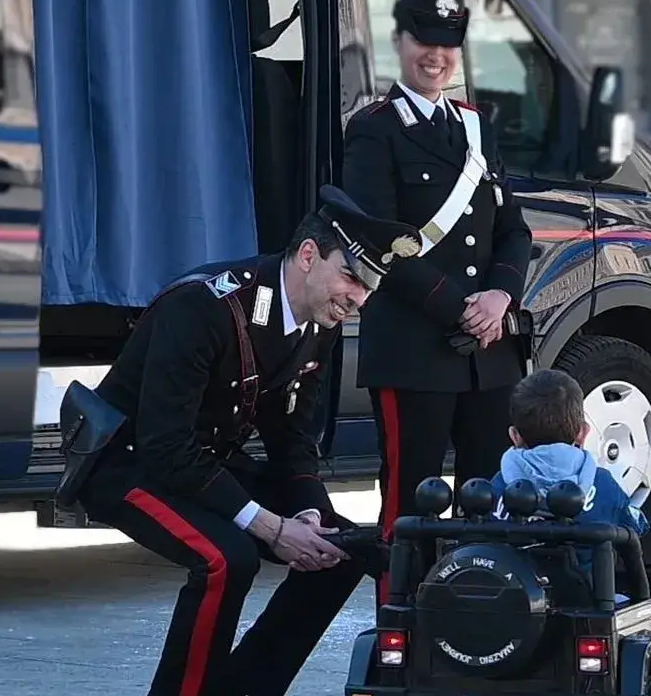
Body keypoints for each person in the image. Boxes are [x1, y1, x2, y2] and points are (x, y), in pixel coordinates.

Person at [72, 185, 423, 696]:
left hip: (200, 465)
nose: (358, 299)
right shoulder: (205, 306)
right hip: (127, 463)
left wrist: (307, 515)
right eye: (350, 276)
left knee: (340, 549)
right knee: (226, 558)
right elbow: (164, 446)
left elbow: (292, 435)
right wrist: (270, 527)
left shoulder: (318, 319)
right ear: (308, 255)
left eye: (368, 288)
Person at [340, 0, 534, 600]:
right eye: (424, 38)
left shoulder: (476, 127)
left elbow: (513, 230)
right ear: (399, 40)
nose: (436, 55)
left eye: (448, 42)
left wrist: (500, 297)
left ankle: (481, 627)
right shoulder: (374, 129)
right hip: (416, 349)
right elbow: (379, 240)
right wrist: (463, 307)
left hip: (489, 355)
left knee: (491, 503)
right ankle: (401, 635)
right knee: (409, 507)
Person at [490, 367, 649, 535]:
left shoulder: (499, 486)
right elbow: (637, 527)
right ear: (583, 433)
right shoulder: (604, 484)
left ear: (515, 436)